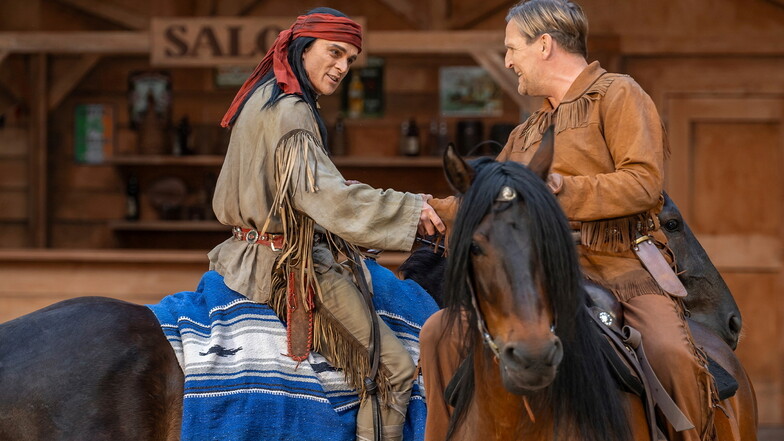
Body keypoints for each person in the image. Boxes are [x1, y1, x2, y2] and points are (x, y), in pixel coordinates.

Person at [423, 1, 716, 440]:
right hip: (534, 273)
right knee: (437, 334)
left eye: (511, 48)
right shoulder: (527, 131)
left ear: (544, 45)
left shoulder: (619, 94)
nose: (507, 61)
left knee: (671, 354)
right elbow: (484, 202)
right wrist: (422, 208)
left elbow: (644, 183)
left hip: (621, 267)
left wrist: (560, 189)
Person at [210, 8, 444, 441]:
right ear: (302, 48)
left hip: (245, 250)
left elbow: (304, 188)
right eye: (335, 52)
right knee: (393, 369)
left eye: (351, 59)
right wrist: (411, 210)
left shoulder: (264, 97)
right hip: (286, 263)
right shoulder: (291, 110)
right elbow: (329, 200)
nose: (342, 67)